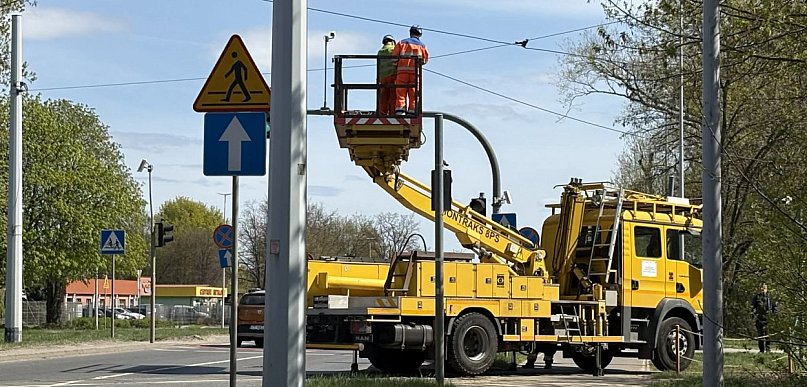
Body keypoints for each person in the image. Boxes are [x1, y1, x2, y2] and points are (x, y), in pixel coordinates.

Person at [392, 25, 429, 115]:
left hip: (402, 72)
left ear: (410, 32)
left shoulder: (401, 43)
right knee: (414, 92)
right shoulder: (422, 46)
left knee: (401, 91)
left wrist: (396, 65)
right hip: (415, 73)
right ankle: (412, 111)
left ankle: (400, 110)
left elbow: (393, 58)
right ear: (420, 34)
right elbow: (424, 60)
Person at [752, 283, 778, 353]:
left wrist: (774, 315)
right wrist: (754, 315)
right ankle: (761, 350)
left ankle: (768, 349)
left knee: (768, 335)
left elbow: (775, 307)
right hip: (759, 318)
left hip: (768, 318)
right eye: (761, 288)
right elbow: (752, 307)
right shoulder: (756, 297)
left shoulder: (770, 297)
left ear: (767, 289)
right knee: (760, 335)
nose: (762, 290)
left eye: (764, 288)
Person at [376, 35, 397, 115]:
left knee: (384, 95)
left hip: (382, 77)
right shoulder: (393, 49)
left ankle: (383, 112)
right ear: (392, 41)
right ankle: (392, 113)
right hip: (392, 75)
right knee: (392, 95)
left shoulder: (380, 51)